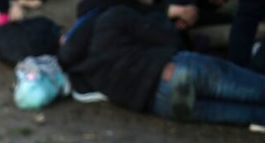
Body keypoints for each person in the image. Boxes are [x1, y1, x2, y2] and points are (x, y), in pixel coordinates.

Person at [58, 4, 265, 127]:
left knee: (252, 114)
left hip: (160, 103)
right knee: (258, 89)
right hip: (172, 71)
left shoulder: (80, 66)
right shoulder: (113, 17)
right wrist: (169, 22)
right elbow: (169, 39)